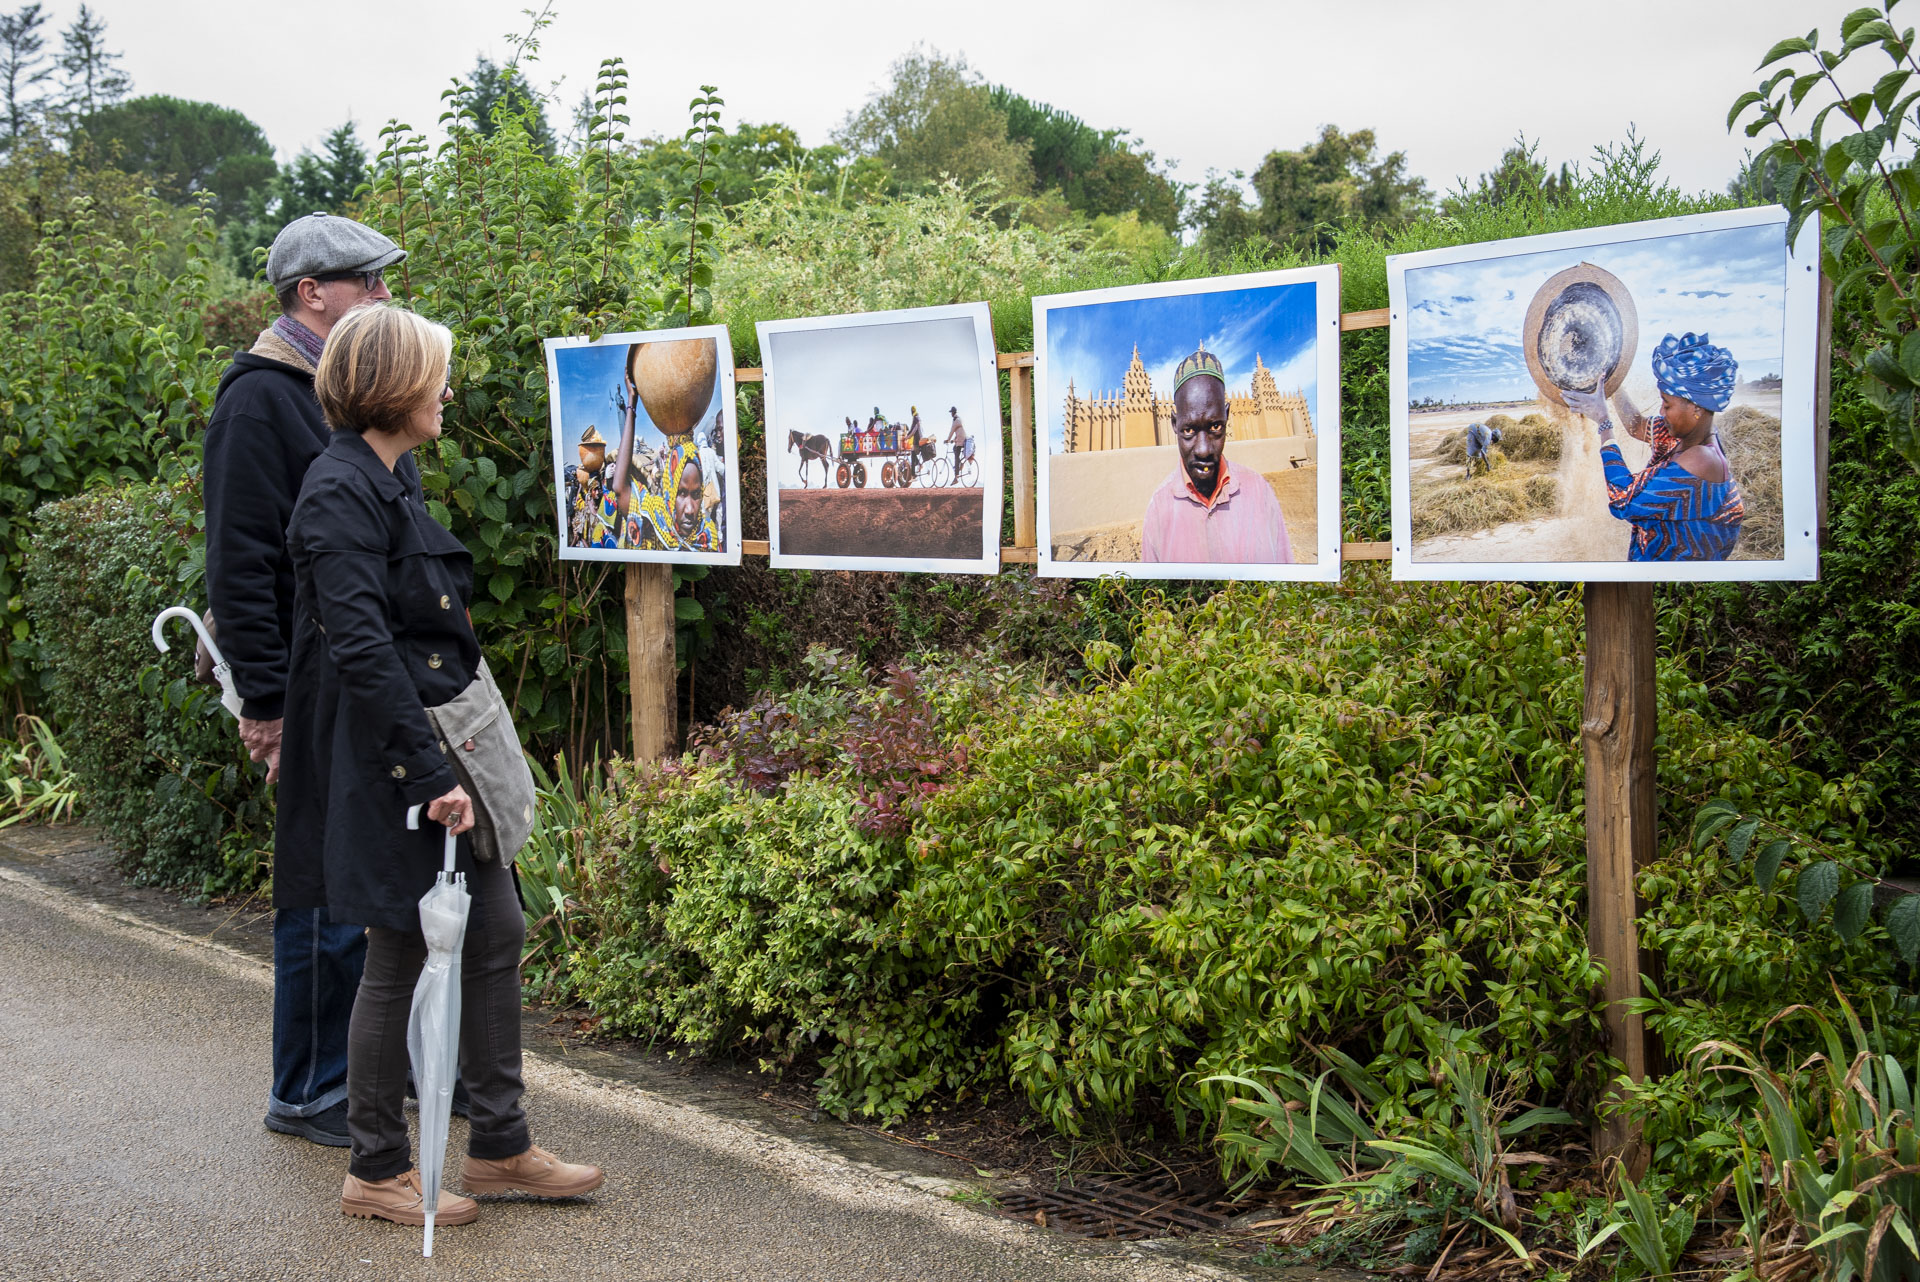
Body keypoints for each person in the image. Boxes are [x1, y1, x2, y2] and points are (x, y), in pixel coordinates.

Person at [286, 303, 603, 1227]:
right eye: (435, 375)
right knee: (398, 950)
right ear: (392, 385)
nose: (448, 390)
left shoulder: (391, 472)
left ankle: (500, 1146)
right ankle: (376, 1166)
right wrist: (431, 777)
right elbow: (361, 648)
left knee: (496, 926)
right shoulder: (338, 490)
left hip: (427, 741)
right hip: (393, 758)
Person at [202, 211, 407, 1149]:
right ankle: (308, 1089)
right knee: (320, 890)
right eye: (368, 281)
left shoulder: (334, 395)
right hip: (307, 687)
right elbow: (240, 565)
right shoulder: (259, 398)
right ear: (310, 293)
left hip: (355, 676)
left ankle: (359, 1080)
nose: (384, 295)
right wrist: (268, 705)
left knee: (359, 880)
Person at [1563, 331, 1744, 561]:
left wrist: (1603, 422)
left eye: (1667, 405)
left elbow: (1622, 500)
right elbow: (1636, 425)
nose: (1661, 411)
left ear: (1696, 408)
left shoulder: (1702, 459)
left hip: (1671, 588)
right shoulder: (1682, 437)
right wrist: (1611, 380)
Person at [1140, 344, 1292, 564]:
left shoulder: (1260, 492)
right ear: (1174, 424)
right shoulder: (1159, 509)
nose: (1203, 449)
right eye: (1189, 430)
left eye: (1214, 428)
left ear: (1227, 416)